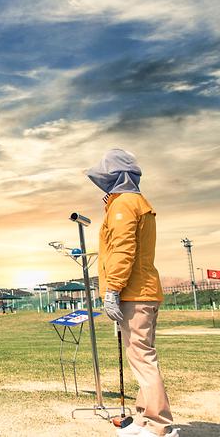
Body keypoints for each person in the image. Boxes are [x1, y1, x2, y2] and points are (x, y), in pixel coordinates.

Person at [86, 149, 177, 437]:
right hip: (142, 290)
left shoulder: (124, 203)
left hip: (133, 292)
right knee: (139, 356)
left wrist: (112, 288)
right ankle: (143, 419)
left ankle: (160, 426)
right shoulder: (135, 201)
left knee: (142, 358)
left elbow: (124, 250)